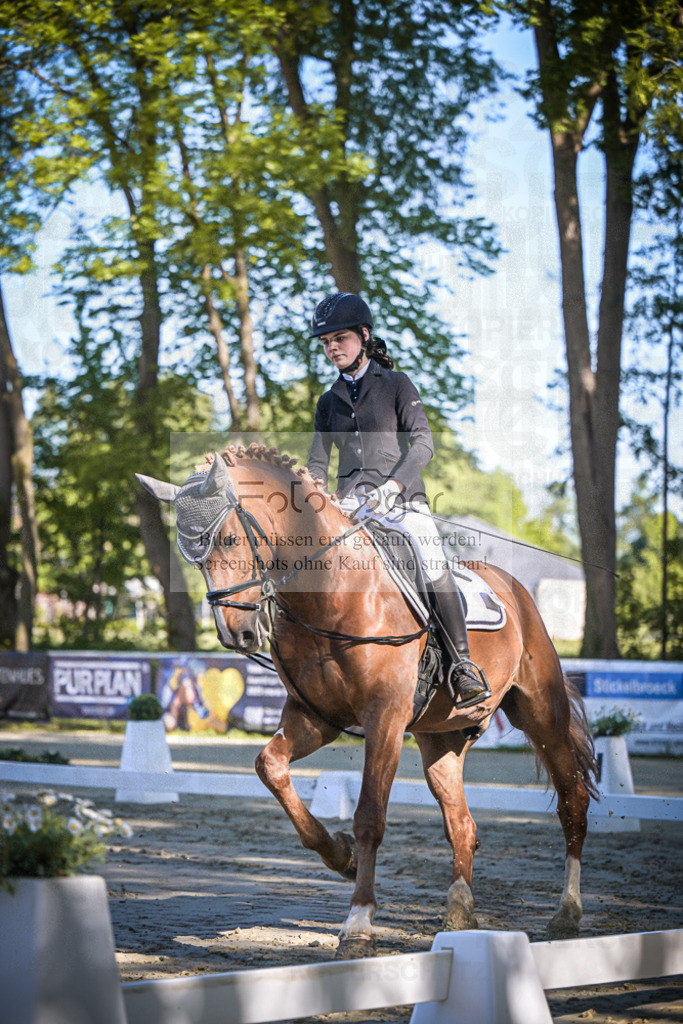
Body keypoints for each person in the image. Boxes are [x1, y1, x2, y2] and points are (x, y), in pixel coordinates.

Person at [307, 291, 491, 709]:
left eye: (340, 338)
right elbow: (317, 463)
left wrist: (393, 487)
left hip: (402, 500)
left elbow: (423, 444)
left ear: (363, 336)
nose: (332, 347)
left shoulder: (395, 384)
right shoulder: (327, 401)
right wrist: (316, 496)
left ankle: (462, 666)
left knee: (430, 557)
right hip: (350, 507)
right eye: (326, 342)